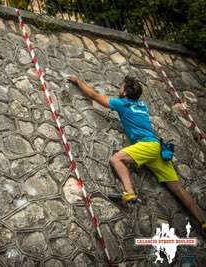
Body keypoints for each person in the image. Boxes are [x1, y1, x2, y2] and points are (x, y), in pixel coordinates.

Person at [68, 74, 206, 234]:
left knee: (116, 159)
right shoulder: (142, 106)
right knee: (178, 190)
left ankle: (130, 193)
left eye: (122, 86)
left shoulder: (123, 104)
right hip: (157, 149)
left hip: (147, 145)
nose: (120, 88)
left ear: (125, 92)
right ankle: (203, 222)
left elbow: (95, 96)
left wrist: (79, 81)